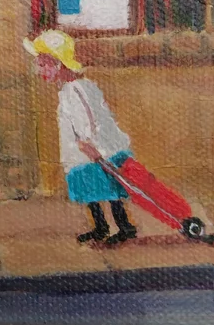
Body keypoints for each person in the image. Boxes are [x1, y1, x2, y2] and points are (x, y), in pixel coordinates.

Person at [23, 29, 139, 246]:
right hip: (84, 153)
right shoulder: (72, 88)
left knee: (107, 190)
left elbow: (87, 119)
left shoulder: (74, 90)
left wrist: (87, 143)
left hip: (94, 151)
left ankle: (124, 227)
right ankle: (101, 227)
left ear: (58, 64)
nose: (39, 71)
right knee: (91, 192)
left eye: (43, 65)